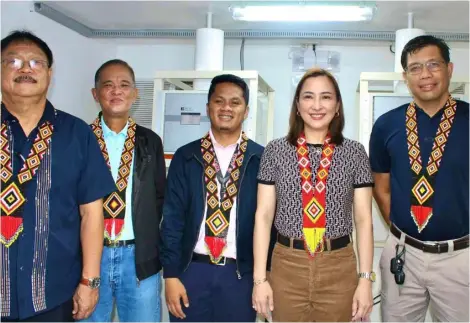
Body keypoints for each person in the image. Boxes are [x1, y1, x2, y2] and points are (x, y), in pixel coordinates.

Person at [0, 30, 116, 322]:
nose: (25, 68)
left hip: (53, 293)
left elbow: (91, 213)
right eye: (13, 61)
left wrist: (90, 282)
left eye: (36, 62)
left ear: (50, 74)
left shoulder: (77, 133)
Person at [252, 67, 375, 322]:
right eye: (308, 97)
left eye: (326, 97)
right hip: (287, 264)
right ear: (297, 105)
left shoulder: (354, 152)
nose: (317, 105)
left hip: (338, 265)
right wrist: (260, 279)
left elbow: (364, 219)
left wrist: (365, 280)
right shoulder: (275, 150)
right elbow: (263, 216)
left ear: (337, 105)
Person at [370, 35, 469, 322]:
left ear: (449, 69)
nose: (424, 75)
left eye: (433, 65)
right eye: (415, 68)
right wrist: (405, 234)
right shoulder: (386, 124)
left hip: (459, 257)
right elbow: (381, 186)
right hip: (403, 253)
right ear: (405, 76)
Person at [160, 74, 270, 322]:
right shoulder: (186, 156)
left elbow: (269, 222)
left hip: (240, 274)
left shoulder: (261, 159)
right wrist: (171, 274)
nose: (226, 108)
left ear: (246, 110)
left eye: (235, 102)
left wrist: (264, 277)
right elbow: (172, 219)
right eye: (219, 101)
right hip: (191, 272)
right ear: (208, 107)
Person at [81, 59, 166, 322]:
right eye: (108, 85)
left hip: (138, 257)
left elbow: (159, 198)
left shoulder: (150, 141)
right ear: (95, 94)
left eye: (124, 85)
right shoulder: (79, 138)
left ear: (135, 93)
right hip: (89, 257)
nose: (116, 91)